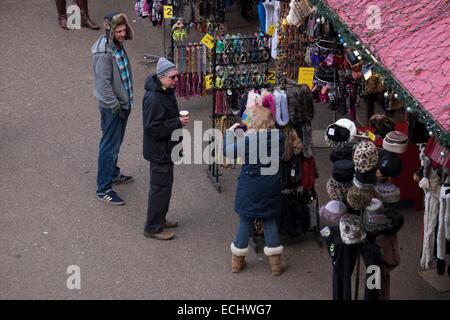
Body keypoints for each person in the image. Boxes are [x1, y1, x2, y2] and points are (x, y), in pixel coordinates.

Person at [223, 106, 287, 276]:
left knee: (245, 219)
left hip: (249, 186)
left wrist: (230, 133)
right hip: (270, 186)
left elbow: (228, 151)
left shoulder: (248, 141)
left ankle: (237, 262)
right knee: (268, 219)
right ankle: (276, 264)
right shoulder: (279, 138)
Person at [142, 58, 189, 240]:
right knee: (159, 189)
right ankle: (153, 227)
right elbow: (153, 128)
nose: (176, 80)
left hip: (167, 148)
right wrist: (177, 122)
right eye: (173, 77)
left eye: (177, 76)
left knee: (165, 187)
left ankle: (160, 218)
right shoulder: (153, 99)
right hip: (159, 151)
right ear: (161, 78)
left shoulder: (165, 90)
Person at [92, 11, 134, 205]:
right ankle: (104, 189)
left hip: (122, 105)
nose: (122, 34)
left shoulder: (116, 45)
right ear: (110, 30)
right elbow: (103, 86)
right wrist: (116, 107)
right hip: (113, 109)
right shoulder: (103, 52)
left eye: (124, 30)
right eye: (118, 31)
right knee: (109, 147)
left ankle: (113, 174)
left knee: (114, 144)